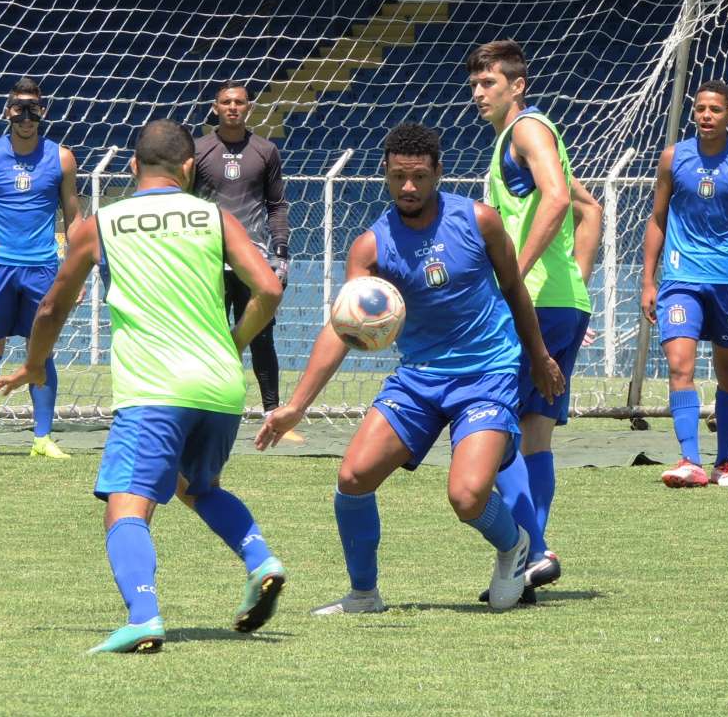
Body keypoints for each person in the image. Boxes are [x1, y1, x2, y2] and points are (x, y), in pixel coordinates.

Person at [0, 119, 287, 653]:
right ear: (190, 167)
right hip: (220, 386)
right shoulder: (215, 217)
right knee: (197, 488)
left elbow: (52, 306)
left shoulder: (101, 224)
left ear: (132, 166)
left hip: (154, 389)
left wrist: (34, 365)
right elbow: (268, 288)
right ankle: (261, 560)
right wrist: (235, 342)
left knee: (125, 506)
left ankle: (144, 615)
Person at [257, 122, 565, 614]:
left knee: (467, 497)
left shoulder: (480, 221)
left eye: (419, 176)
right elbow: (342, 325)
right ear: (384, 173)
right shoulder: (371, 247)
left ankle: (515, 547)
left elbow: (514, 289)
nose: (408, 187)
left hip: (487, 374)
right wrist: (296, 406)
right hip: (419, 377)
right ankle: (364, 595)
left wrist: (540, 356)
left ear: (438, 172)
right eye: (398, 176)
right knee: (353, 477)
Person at [467, 39, 600, 595]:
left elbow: (556, 199)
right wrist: (576, 285)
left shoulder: (526, 130)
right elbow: (589, 207)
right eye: (475, 84)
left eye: (489, 83)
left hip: (535, 303)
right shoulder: (521, 138)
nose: (479, 93)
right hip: (561, 301)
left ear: (517, 86)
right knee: (535, 435)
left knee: (492, 430)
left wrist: (515, 276)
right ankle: (531, 562)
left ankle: (534, 548)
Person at [641, 79, 728, 488]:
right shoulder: (673, 157)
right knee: (679, 365)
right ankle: (690, 461)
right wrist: (648, 280)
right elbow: (657, 219)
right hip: (680, 278)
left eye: (715, 109)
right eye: (700, 108)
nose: (706, 116)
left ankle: (724, 463)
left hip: (727, 282)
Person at [0, 77, 82, 460]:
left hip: (43, 270)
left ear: (43, 112)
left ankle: (42, 438)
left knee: (41, 352)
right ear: (7, 111)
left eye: (33, 109)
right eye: (19, 108)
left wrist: (75, 272)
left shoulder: (62, 158)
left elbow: (74, 218)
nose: (26, 117)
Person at [193, 80, 290, 414]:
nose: (232, 107)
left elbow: (276, 206)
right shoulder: (198, 150)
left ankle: (272, 412)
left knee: (261, 336)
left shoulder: (266, 150)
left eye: (239, 102)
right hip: (208, 259)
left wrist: (281, 253)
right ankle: (207, 408)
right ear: (215, 108)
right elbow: (185, 203)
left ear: (249, 107)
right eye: (226, 102)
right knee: (209, 336)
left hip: (253, 259)